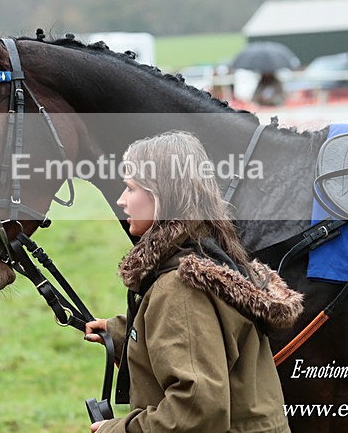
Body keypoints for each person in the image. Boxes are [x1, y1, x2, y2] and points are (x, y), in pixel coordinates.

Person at [84, 131, 301, 432]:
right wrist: (128, 333)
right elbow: (209, 337)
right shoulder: (214, 259)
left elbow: (198, 410)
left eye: (131, 188)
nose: (121, 201)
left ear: (163, 197)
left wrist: (118, 430)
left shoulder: (179, 289)